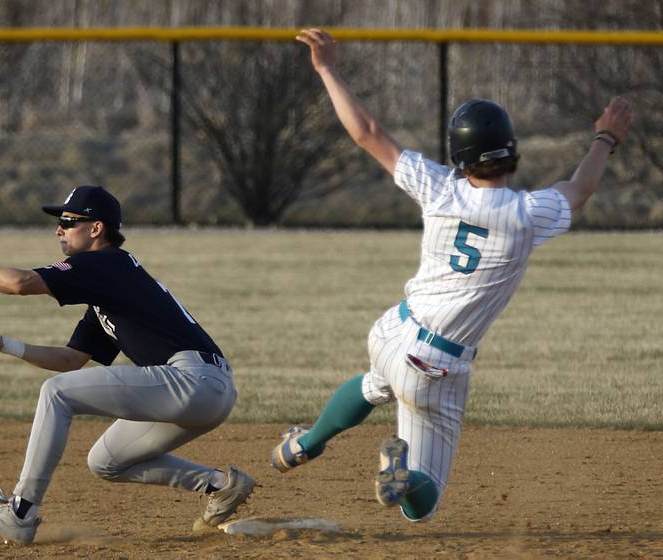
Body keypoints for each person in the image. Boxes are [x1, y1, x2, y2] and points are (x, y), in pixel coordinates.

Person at [271, 28, 633, 522]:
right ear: (512, 150)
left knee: (376, 383)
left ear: (459, 156)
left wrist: (327, 68)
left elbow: (367, 133)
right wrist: (605, 138)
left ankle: (304, 444)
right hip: (436, 366)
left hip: (393, 329)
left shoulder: (439, 188)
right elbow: (580, 188)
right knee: (424, 500)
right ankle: (402, 479)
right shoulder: (528, 214)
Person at [0, 185, 254, 545]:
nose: (59, 229)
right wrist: (6, 345)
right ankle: (221, 485)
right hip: (206, 389)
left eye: (69, 221)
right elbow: (70, 360)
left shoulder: (106, 262)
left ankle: (20, 512)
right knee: (107, 460)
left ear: (97, 229)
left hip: (193, 380)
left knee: (55, 394)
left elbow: (21, 283)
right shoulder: (107, 288)